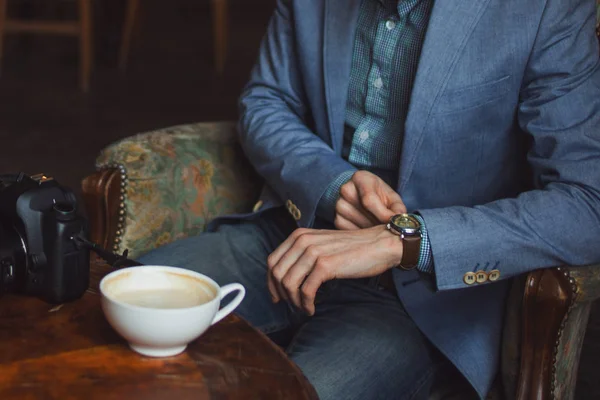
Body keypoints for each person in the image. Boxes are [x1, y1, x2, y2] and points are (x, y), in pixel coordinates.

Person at [138, 0, 600, 398]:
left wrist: (401, 240)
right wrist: (330, 184)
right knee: (109, 305)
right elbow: (265, 100)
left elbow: (586, 203)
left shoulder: (544, 9)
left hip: (421, 300)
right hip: (292, 237)